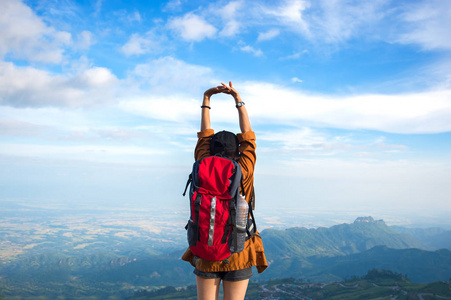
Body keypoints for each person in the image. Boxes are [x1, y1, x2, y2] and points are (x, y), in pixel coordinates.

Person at [182, 81, 268, 300]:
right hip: (239, 248)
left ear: (210, 150)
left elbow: (203, 135)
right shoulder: (244, 168)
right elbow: (249, 136)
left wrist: (207, 98)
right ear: (237, 149)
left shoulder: (203, 163)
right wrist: (237, 99)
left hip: (206, 246)